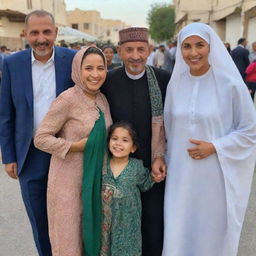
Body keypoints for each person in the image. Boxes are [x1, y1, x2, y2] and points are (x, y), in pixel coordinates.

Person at [163, 22, 256, 256]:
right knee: (177, 231)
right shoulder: (176, 85)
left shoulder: (230, 85)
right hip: (179, 178)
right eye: (187, 46)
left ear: (211, 46)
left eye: (199, 45)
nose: (193, 53)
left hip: (215, 176)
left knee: (210, 235)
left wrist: (216, 146)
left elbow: (250, 130)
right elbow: (168, 130)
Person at [0, 10, 76, 256]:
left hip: (67, 154)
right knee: (39, 222)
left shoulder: (73, 59)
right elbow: (6, 113)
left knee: (69, 219)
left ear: (55, 33)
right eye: (35, 32)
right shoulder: (12, 64)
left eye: (46, 32)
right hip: (30, 156)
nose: (41, 38)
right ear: (25, 34)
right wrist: (9, 156)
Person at [34, 46, 112, 256]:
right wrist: (73, 147)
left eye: (100, 68)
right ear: (78, 70)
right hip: (66, 185)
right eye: (88, 68)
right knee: (69, 243)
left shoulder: (102, 100)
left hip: (94, 182)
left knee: (90, 239)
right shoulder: (67, 99)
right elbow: (40, 138)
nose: (95, 75)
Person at [101, 27, 171, 256]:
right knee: (119, 225)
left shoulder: (163, 79)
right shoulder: (108, 81)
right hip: (118, 169)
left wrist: (161, 156)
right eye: (129, 50)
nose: (135, 56)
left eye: (141, 49)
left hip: (153, 165)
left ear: (149, 50)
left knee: (152, 223)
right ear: (119, 51)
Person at [100, 121, 161, 256]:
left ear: (133, 147)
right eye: (114, 139)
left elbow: (145, 184)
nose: (118, 143)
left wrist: (154, 177)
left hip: (128, 226)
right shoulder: (102, 165)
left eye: (125, 140)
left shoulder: (136, 167)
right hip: (105, 224)